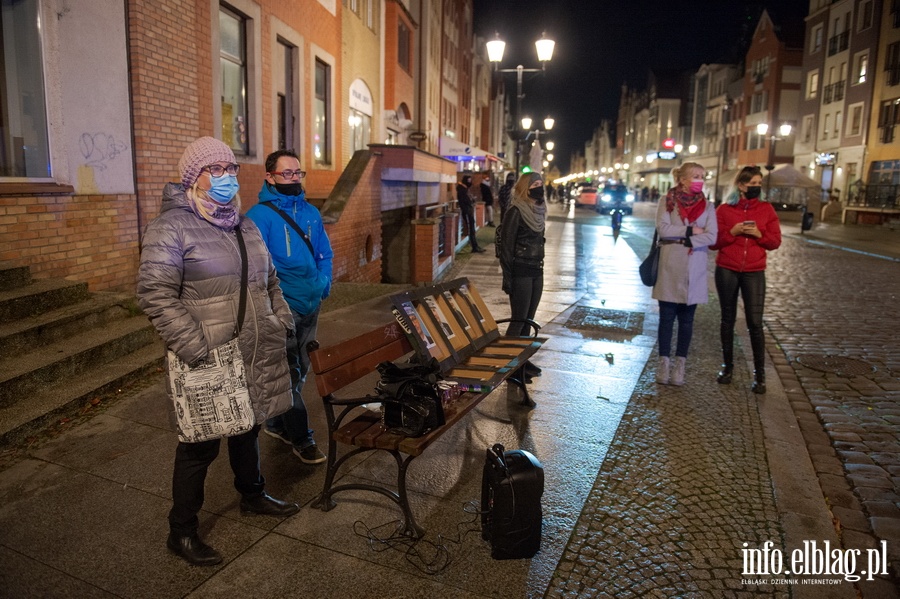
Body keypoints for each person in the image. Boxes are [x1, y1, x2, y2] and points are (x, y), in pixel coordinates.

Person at [137, 137, 299, 567]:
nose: (227, 177)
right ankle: (182, 531)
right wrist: (195, 346)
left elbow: (271, 281)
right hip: (206, 355)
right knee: (199, 445)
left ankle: (253, 494)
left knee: (248, 426)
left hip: (251, 349)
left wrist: (280, 320)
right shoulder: (170, 227)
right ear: (195, 177)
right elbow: (155, 294)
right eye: (216, 169)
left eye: (230, 168)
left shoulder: (243, 224)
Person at [246, 149, 334, 464]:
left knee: (301, 369)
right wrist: (273, 305)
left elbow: (324, 251)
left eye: (297, 173)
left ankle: (275, 423)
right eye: (287, 174)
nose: (294, 179)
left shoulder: (310, 212)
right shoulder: (259, 217)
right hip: (284, 308)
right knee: (287, 372)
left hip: (312, 303)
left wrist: (324, 282)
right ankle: (301, 437)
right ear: (270, 177)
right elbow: (257, 269)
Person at [711, 166, 782, 394]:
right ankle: (727, 367)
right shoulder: (724, 210)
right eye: (752, 184)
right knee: (727, 319)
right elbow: (713, 242)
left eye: (759, 183)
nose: (757, 187)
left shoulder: (766, 209)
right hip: (727, 269)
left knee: (755, 322)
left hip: (754, 270)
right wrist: (732, 231)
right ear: (741, 186)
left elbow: (775, 242)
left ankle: (760, 376)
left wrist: (760, 235)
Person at [652, 162, 717, 386]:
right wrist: (690, 230)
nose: (700, 179)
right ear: (682, 180)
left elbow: (712, 237)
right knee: (666, 318)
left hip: (694, 268)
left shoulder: (708, 207)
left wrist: (685, 239)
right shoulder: (667, 202)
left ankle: (680, 364)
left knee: (687, 321)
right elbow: (663, 229)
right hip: (671, 266)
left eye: (703, 176)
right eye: (696, 176)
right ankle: (664, 362)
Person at [498, 171, 546, 381]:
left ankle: (522, 361)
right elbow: (506, 247)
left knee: (529, 320)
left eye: (541, 183)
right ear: (525, 187)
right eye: (535, 183)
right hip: (521, 271)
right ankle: (509, 366)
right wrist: (507, 277)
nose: (539, 187)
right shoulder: (515, 211)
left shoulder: (538, 210)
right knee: (519, 320)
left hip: (537, 269)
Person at [457, 174, 485, 253]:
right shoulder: (462, 190)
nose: (470, 182)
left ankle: (475, 246)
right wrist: (471, 201)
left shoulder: (465, 189)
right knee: (471, 230)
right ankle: (474, 247)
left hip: (469, 211)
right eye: (469, 180)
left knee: (472, 229)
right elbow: (466, 200)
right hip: (467, 211)